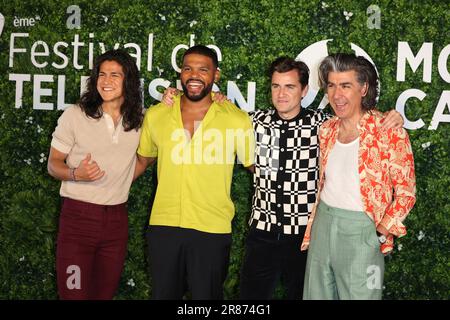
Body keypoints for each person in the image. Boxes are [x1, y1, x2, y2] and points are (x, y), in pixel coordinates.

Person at [162, 56, 404, 300]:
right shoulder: (253, 122)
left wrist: (392, 117)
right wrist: (198, 96)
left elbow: (360, 120)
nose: (281, 94)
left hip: (304, 237)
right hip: (262, 233)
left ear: (304, 90)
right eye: (276, 86)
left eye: (289, 87)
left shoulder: (323, 125)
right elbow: (213, 109)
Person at [134, 45, 255, 300]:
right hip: (164, 225)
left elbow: (255, 166)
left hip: (211, 228)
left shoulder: (236, 119)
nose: (194, 75)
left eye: (203, 69)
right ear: (180, 73)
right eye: (188, 68)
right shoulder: (156, 115)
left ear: (216, 75)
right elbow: (143, 159)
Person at [301, 53, 416, 300]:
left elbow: (406, 193)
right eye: (331, 86)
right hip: (323, 224)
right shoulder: (327, 129)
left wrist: (380, 234)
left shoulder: (389, 130)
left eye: (345, 86)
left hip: (363, 230)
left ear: (363, 89)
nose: (336, 95)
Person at [47, 49, 143, 299]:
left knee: (104, 295)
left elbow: (146, 157)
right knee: (74, 293)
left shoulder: (139, 121)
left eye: (114, 75)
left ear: (129, 81)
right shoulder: (75, 115)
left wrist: (120, 180)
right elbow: (53, 164)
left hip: (116, 223)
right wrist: (76, 173)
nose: (106, 81)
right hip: (77, 222)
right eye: (101, 74)